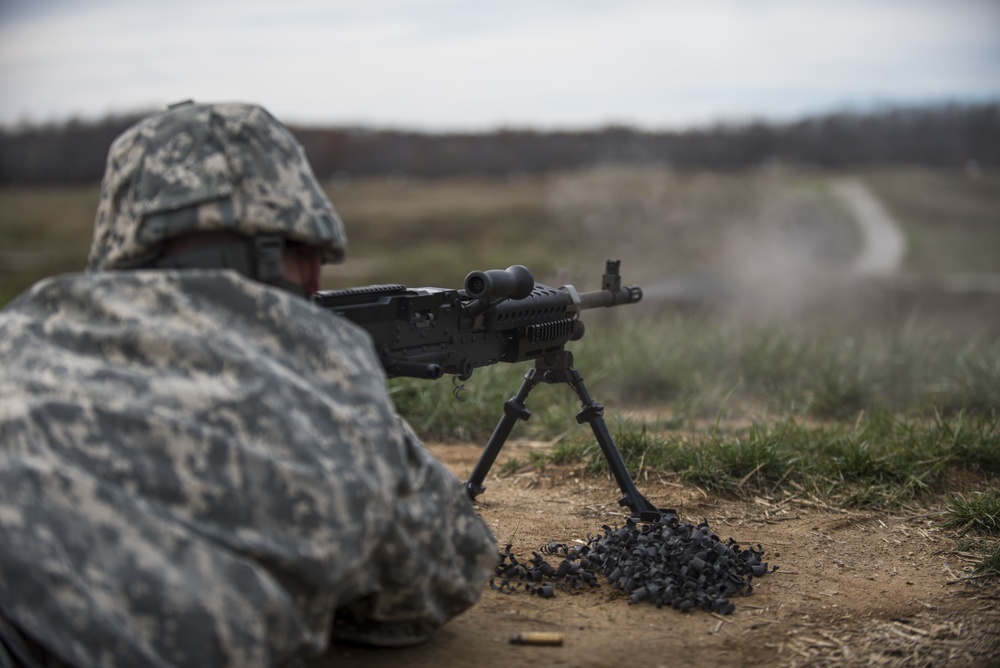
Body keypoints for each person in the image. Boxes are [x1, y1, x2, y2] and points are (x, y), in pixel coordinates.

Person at [0, 101, 498, 667]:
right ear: (310, 264)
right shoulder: (318, 377)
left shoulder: (19, 326)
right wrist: (360, 415)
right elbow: (436, 581)